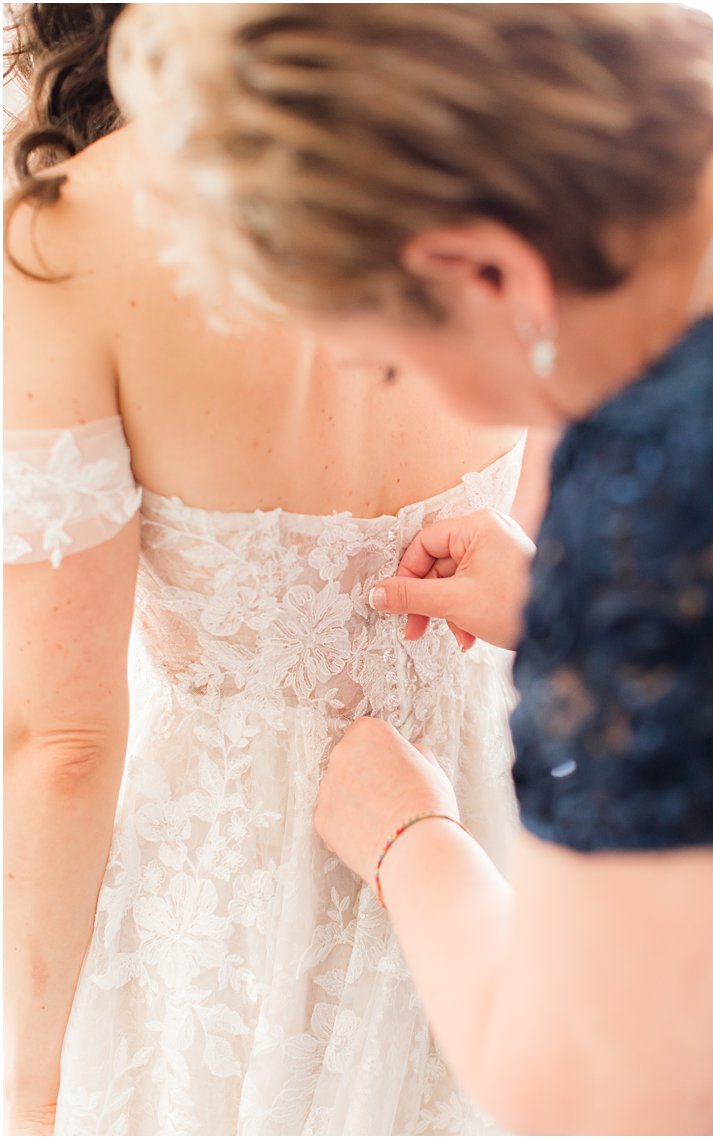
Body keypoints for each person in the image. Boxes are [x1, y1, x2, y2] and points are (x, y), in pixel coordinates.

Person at [110, 4, 713, 1136]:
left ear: (484, 270)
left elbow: (616, 1098)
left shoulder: (646, 512)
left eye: (389, 359)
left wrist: (407, 834)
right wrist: (583, 620)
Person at [0, 4, 552, 1134]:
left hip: (223, 895)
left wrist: (33, 1075)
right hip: (487, 813)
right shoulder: (521, 132)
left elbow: (62, 743)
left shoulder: (69, 239)